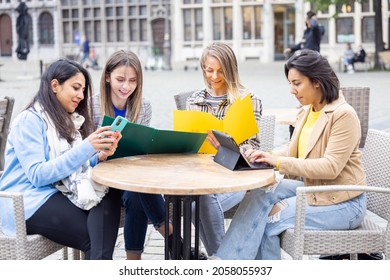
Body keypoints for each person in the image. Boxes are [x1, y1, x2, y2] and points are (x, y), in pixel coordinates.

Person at [213, 49, 367, 260]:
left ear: (317, 81)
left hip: (342, 202)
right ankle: (226, 262)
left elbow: (330, 167)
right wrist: (264, 154)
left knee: (269, 219)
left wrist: (278, 162)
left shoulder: (343, 115)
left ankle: (226, 265)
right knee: (258, 193)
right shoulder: (308, 110)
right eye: (290, 84)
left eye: (297, 83)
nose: (292, 90)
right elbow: (294, 149)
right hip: (314, 187)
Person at [0, 59, 123, 259]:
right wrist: (87, 147)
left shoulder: (65, 121)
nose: (81, 96)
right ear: (55, 85)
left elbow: (72, 166)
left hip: (56, 192)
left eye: (83, 90)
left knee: (108, 193)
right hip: (24, 201)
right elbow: (38, 175)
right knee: (96, 239)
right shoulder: (29, 121)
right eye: (76, 88)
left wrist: (98, 156)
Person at [92, 49, 174, 260]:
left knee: (137, 191)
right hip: (102, 177)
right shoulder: (92, 105)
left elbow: (140, 150)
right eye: (120, 79)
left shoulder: (142, 106)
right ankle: (172, 237)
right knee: (138, 189)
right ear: (108, 76)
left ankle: (134, 263)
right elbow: (84, 150)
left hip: (130, 176)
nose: (126, 86)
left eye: (132, 80)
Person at [186, 42, 263, 256]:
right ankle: (223, 259)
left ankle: (220, 259)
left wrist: (228, 147)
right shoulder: (194, 100)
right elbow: (189, 143)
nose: (214, 76)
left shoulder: (247, 100)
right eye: (209, 70)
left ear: (231, 70)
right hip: (203, 173)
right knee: (200, 196)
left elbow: (253, 147)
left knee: (198, 201)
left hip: (234, 175)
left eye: (221, 71)